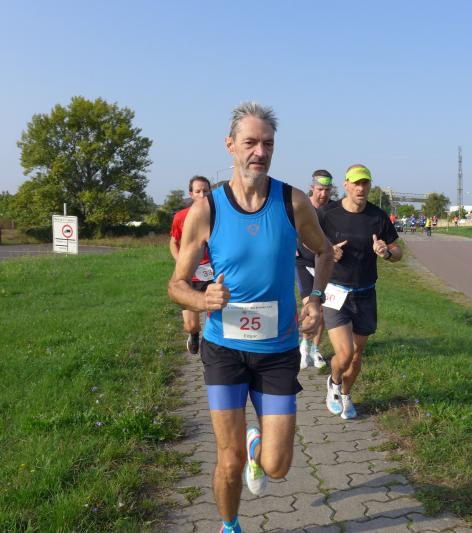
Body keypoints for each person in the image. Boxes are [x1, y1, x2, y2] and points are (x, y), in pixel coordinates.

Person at [168, 102, 334, 533]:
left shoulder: (292, 201)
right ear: (230, 145)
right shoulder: (208, 209)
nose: (260, 152)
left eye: (268, 144)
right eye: (250, 142)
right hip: (224, 350)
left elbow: (324, 252)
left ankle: (256, 445)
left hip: (277, 352)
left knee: (278, 466)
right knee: (229, 460)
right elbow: (176, 285)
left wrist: (315, 300)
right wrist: (203, 300)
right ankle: (229, 525)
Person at [317, 164, 402, 419]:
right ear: (345, 185)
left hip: (366, 293)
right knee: (344, 354)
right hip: (336, 292)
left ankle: (345, 394)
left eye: (365, 183)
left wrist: (386, 253)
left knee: (356, 356)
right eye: (355, 183)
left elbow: (397, 251)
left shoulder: (378, 216)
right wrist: (328, 251)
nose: (360, 188)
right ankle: (333, 382)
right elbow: (311, 245)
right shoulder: (328, 214)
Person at [296, 170, 335, 369]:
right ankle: (304, 345)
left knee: (322, 309)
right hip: (303, 262)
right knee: (312, 307)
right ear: (312, 187)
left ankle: (315, 348)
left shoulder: (334, 210)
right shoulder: (302, 206)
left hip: (325, 265)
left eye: (327, 190)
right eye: (320, 189)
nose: (323, 194)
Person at [170, 175, 213, 354]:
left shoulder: (219, 214)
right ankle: (194, 334)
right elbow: (174, 242)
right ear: (191, 194)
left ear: (210, 192)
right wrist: (182, 263)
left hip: (214, 274)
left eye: (205, 191)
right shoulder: (181, 217)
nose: (202, 195)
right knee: (191, 324)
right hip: (191, 275)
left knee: (216, 318)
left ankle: (212, 345)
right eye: (198, 191)